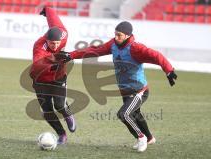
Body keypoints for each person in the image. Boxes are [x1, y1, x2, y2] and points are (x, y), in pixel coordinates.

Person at [57, 21, 177, 152]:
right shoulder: (113, 44)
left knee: (123, 114)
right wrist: (71, 55)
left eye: (119, 35)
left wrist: (169, 70)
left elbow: (156, 56)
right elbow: (94, 50)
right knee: (135, 115)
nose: (116, 37)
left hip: (139, 91)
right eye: (115, 34)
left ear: (127, 35)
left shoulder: (136, 48)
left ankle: (141, 137)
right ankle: (149, 138)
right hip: (125, 91)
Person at [29, 7, 76, 145]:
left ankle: (68, 114)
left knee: (60, 105)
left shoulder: (63, 34)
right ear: (46, 40)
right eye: (51, 43)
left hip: (59, 78)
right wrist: (55, 59)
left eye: (57, 43)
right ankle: (62, 134)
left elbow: (55, 22)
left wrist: (48, 10)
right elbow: (38, 65)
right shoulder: (39, 47)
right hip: (41, 80)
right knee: (47, 111)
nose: (55, 46)